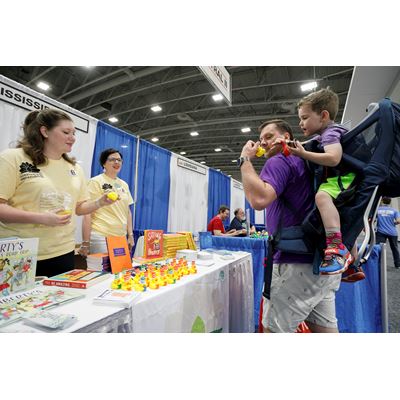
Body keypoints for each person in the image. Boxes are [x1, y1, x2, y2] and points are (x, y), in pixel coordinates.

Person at [240, 118, 342, 333]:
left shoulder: (280, 160)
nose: (264, 143)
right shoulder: (306, 162)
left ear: (286, 137)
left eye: (269, 136)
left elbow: (258, 200)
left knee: (274, 331)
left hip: (292, 264)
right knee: (325, 330)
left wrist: (244, 160)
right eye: (261, 140)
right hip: (320, 263)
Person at [0, 109, 116, 278]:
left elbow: (79, 207)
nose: (72, 137)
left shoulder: (75, 168)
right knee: (18, 304)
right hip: (21, 253)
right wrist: (41, 218)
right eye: (66, 132)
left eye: (74, 133)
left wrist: (99, 202)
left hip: (63, 251)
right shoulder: (14, 158)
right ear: (45, 131)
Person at [288, 88, 355, 275]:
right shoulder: (326, 134)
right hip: (345, 178)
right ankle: (351, 263)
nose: (300, 123)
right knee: (341, 219)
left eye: (305, 117)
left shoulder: (331, 133)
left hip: (346, 178)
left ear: (324, 115)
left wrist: (302, 154)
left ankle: (336, 249)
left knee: (322, 197)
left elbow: (333, 158)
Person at [78, 148, 134, 256]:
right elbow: (87, 212)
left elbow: (127, 211)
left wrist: (130, 235)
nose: (117, 162)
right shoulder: (96, 181)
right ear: (104, 163)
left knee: (120, 271)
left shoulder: (124, 184)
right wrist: (85, 242)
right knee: (104, 271)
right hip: (101, 236)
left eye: (119, 160)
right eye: (112, 159)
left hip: (121, 236)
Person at [375, 197, 400, 269]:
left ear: (382, 201)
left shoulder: (378, 210)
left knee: (378, 248)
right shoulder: (394, 210)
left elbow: (372, 219)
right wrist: (392, 223)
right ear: (390, 201)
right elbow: (398, 221)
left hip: (380, 232)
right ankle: (397, 265)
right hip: (392, 232)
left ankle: (378, 263)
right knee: (394, 248)